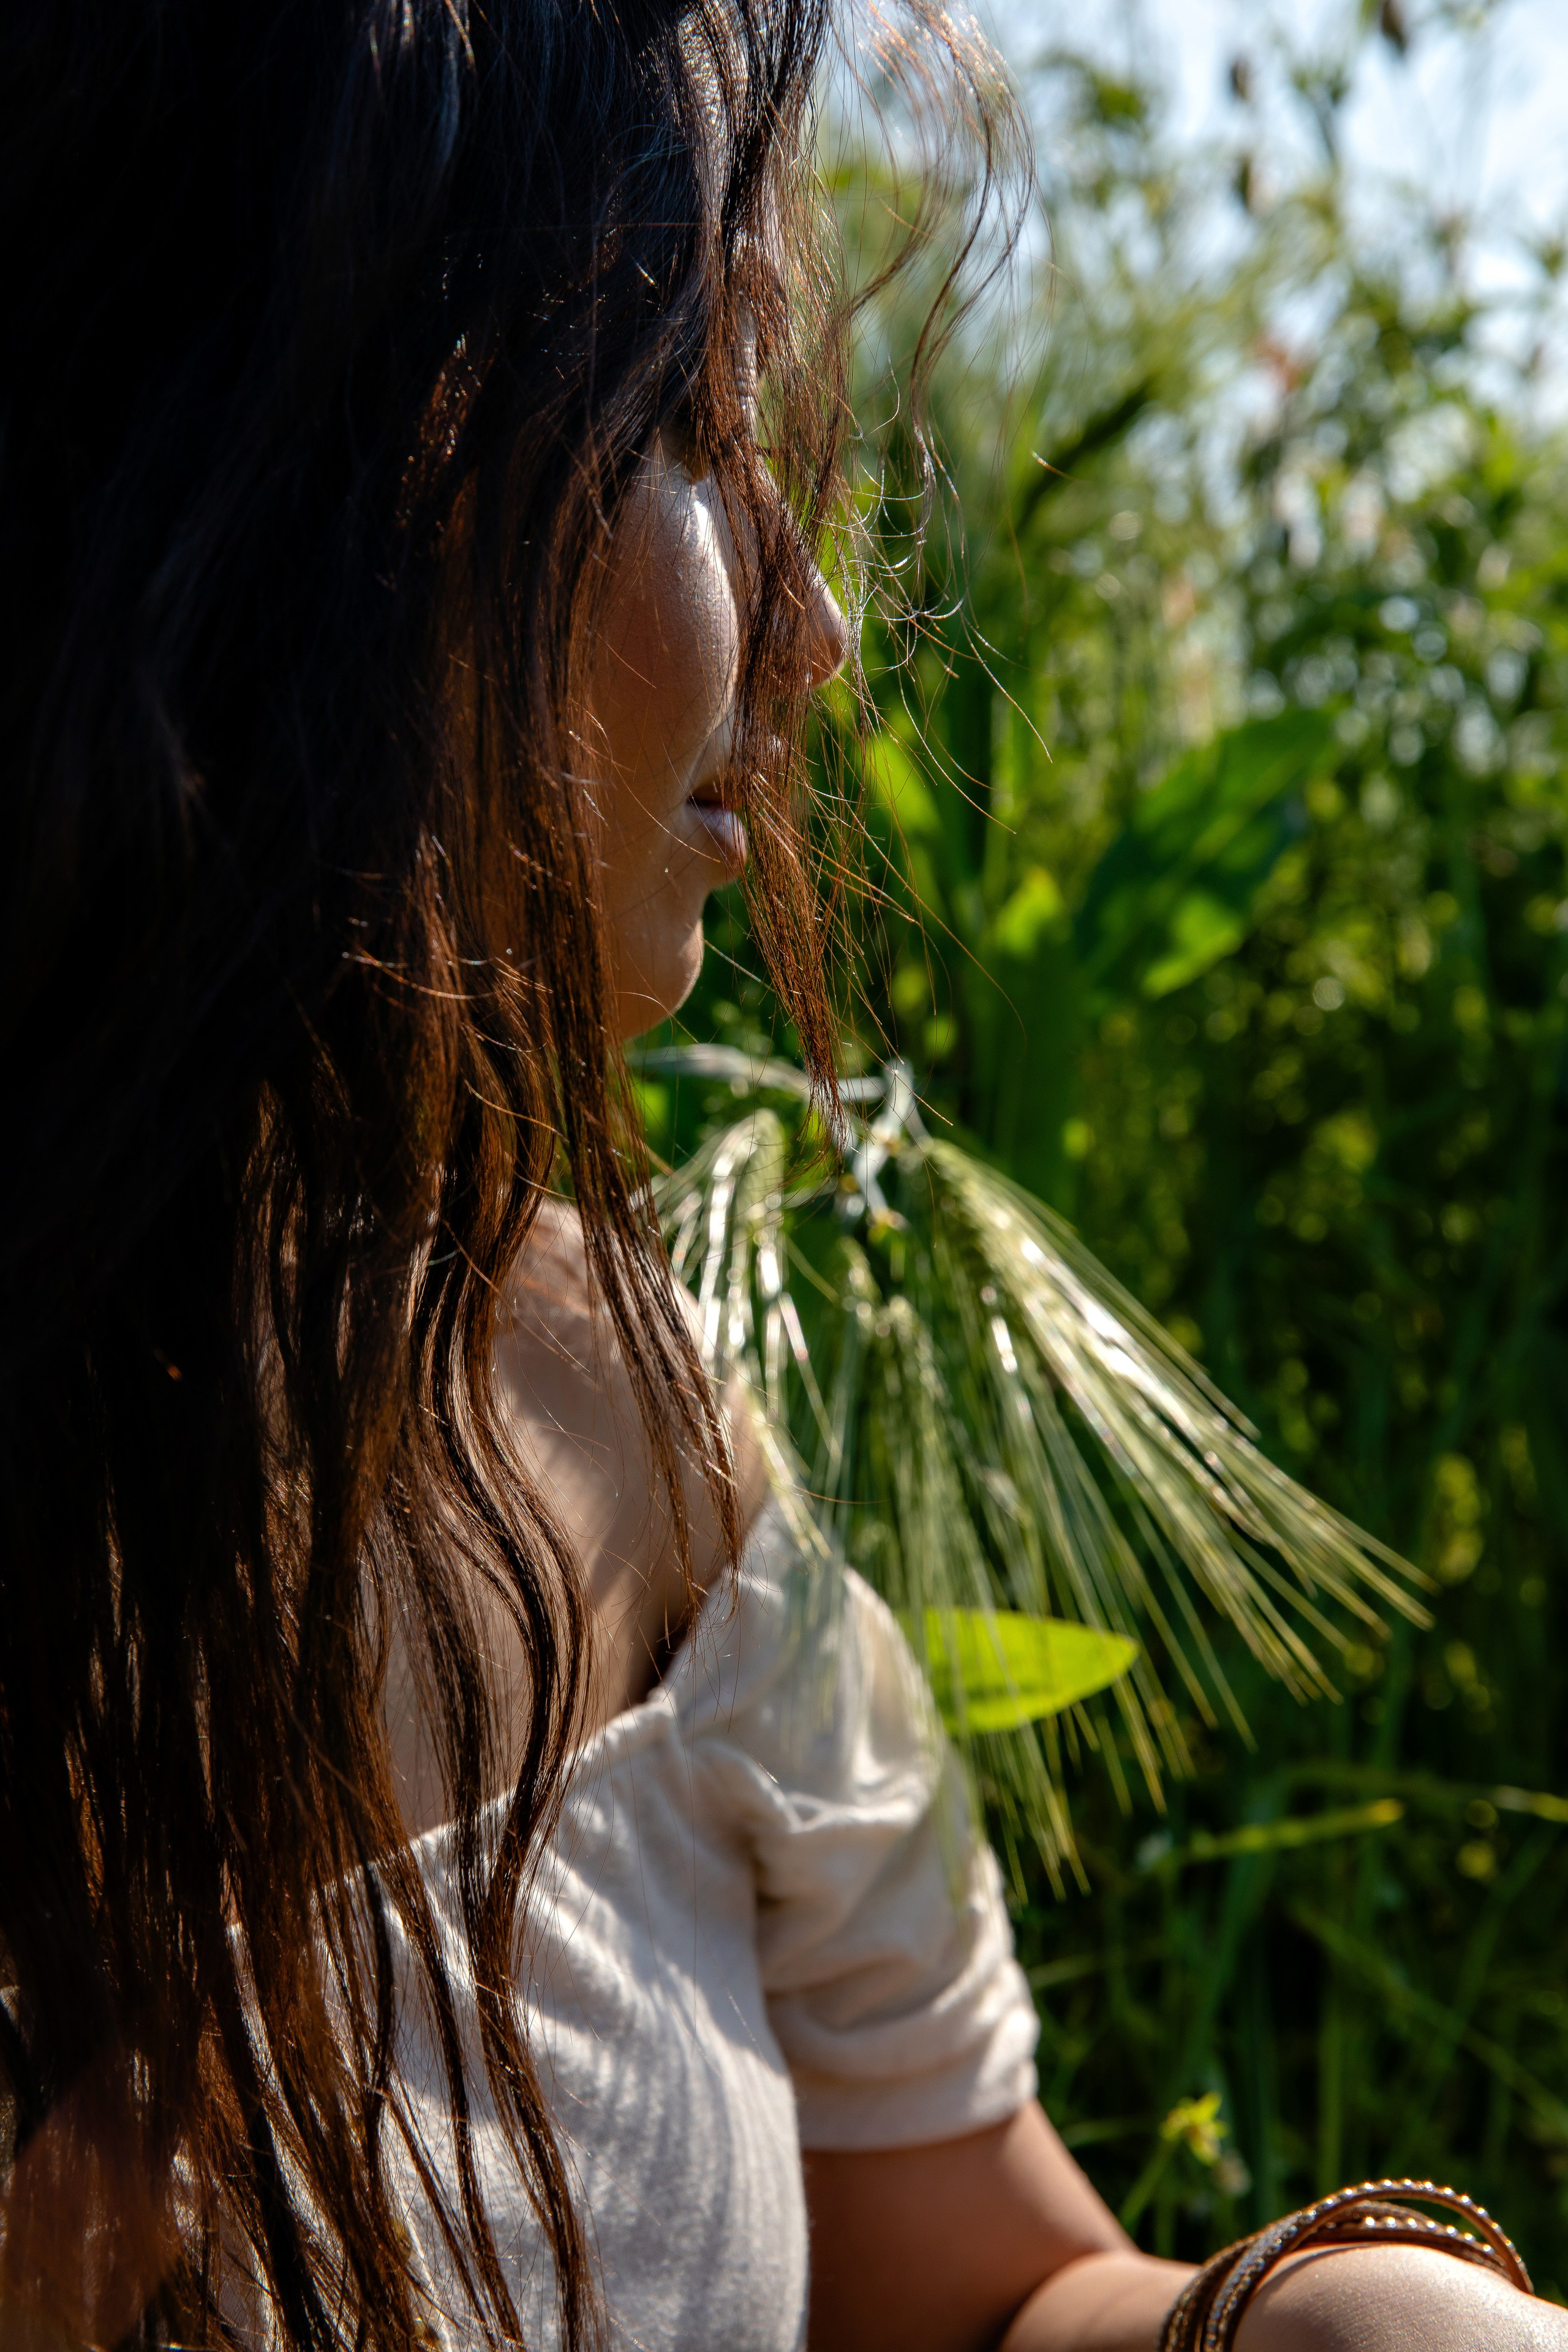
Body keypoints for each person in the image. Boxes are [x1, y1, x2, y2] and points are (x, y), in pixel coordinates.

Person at [1, 5, 1561, 2350]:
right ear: (299, 472)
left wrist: (1321, 2324)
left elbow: (990, 2292)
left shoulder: (628, 1421)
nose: (816, 636)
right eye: (690, 435)